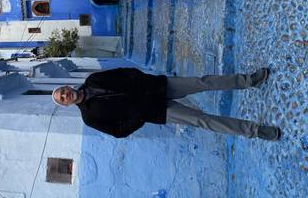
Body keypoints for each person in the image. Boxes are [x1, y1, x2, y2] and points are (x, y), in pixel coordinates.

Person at [52, 68, 281, 140]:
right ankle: (255, 131)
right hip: (157, 111)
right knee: (204, 120)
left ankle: (249, 81)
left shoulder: (92, 79)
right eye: (62, 99)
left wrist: (144, 79)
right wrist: (139, 117)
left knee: (203, 82)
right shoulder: (89, 117)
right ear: (65, 105)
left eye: (63, 91)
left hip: (157, 87)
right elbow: (117, 131)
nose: (65, 95)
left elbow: (124, 72)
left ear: (67, 87)